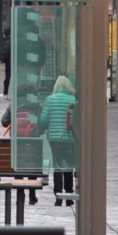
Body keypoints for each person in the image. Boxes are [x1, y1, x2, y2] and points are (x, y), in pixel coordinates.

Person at [38, 76, 77, 207]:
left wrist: (41, 128)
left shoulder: (50, 100)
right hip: (70, 137)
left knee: (57, 165)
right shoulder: (73, 100)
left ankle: (58, 195)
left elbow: (44, 119)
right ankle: (70, 194)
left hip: (55, 138)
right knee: (68, 165)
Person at [0, 105, 38, 205]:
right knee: (32, 163)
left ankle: (20, 194)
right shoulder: (35, 106)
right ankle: (32, 194)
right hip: (31, 141)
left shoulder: (12, 105)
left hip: (17, 142)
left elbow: (4, 122)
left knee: (18, 163)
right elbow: (42, 122)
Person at [0, 27, 12, 100]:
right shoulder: (13, 40)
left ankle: (5, 93)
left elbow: (5, 51)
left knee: (7, 78)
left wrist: (2, 59)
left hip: (9, 63)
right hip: (13, 62)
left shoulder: (7, 41)